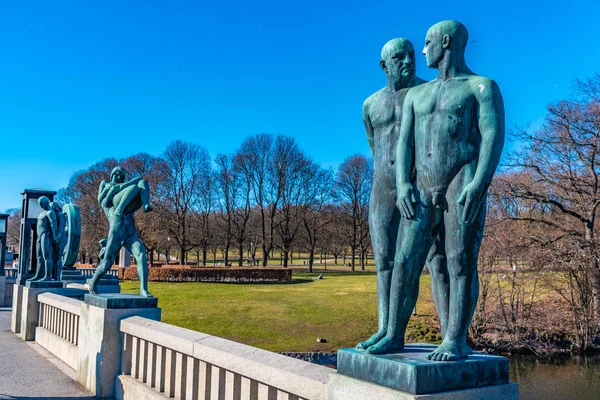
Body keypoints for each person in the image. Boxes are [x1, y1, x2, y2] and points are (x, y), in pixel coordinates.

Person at [367, 21, 504, 361]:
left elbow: (492, 135)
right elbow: (404, 147)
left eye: (426, 44)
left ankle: (455, 339)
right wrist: (402, 185)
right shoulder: (416, 94)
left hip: (462, 179)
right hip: (421, 186)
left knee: (458, 261)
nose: (422, 51)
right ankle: (394, 334)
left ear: (445, 42)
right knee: (404, 260)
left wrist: (480, 182)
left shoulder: (480, 87)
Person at [356, 38, 445, 351]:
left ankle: (450, 337)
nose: (409, 60)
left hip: (418, 185)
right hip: (382, 187)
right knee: (384, 262)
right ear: (384, 65)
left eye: (411, 54)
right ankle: (385, 330)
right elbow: (375, 144)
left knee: (433, 259)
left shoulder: (426, 93)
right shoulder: (370, 105)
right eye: (399, 57)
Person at [88, 167, 154, 297]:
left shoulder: (125, 193)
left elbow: (136, 185)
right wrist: (111, 189)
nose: (118, 176)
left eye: (121, 174)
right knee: (107, 263)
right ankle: (93, 283)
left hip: (130, 231)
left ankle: (143, 289)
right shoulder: (107, 192)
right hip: (117, 230)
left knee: (141, 255)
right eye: (115, 173)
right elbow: (101, 200)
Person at [28, 196, 58, 282]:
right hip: (40, 236)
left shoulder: (50, 212)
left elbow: (53, 225)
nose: (40, 205)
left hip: (46, 234)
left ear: (46, 202)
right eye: (39, 204)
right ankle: (38, 275)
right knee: (39, 257)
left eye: (41, 203)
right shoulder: (42, 212)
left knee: (47, 256)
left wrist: (55, 236)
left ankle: (47, 276)